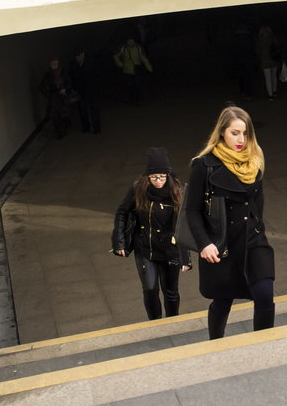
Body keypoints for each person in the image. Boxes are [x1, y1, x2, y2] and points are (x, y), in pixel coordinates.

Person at [185, 106, 275, 339]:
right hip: (221, 243)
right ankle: (216, 344)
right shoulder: (203, 165)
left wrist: (258, 231)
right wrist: (204, 243)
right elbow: (192, 210)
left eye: (245, 134)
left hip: (253, 241)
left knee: (265, 294)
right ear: (222, 132)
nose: (241, 140)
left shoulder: (254, 161)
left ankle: (263, 346)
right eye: (235, 133)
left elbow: (258, 206)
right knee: (222, 301)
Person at [112, 147, 191, 320]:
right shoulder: (138, 189)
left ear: (168, 176)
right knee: (150, 290)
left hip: (169, 250)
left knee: (171, 292)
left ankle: (173, 321)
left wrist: (185, 258)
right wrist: (119, 242)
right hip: (145, 249)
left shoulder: (176, 191)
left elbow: (183, 226)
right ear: (147, 176)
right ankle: (154, 324)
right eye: (154, 177)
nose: (158, 181)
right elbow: (122, 212)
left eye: (162, 176)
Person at [68, 48, 102, 134]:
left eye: (79, 56)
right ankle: (86, 126)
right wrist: (73, 88)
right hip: (80, 91)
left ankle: (96, 128)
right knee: (82, 110)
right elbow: (72, 78)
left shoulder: (91, 63)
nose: (77, 58)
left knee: (94, 109)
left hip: (92, 89)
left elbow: (97, 76)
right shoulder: (73, 65)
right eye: (76, 56)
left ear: (83, 54)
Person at [38, 57, 72, 139]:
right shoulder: (48, 75)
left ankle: (66, 127)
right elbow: (42, 86)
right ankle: (60, 133)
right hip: (54, 99)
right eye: (52, 64)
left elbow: (69, 83)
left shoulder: (63, 73)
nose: (54, 65)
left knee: (65, 115)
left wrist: (65, 89)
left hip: (63, 98)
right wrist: (49, 94)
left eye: (56, 64)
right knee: (55, 117)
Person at [113, 37, 152, 104]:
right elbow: (115, 56)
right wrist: (121, 65)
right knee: (130, 86)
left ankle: (138, 100)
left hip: (136, 70)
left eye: (131, 40)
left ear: (134, 41)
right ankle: (132, 99)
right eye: (129, 41)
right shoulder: (123, 48)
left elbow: (143, 58)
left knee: (138, 85)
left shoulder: (138, 48)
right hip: (127, 71)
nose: (130, 42)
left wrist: (149, 68)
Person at [255, 25, 281, 100]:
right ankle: (274, 90)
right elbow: (278, 48)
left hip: (265, 60)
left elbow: (258, 52)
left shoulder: (260, 40)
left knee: (268, 78)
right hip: (274, 60)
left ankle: (270, 94)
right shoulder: (273, 39)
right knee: (274, 77)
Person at [231, 23, 256, 101]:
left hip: (240, 60)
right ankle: (248, 94)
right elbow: (253, 49)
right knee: (249, 78)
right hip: (249, 60)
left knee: (241, 77)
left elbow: (234, 51)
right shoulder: (250, 38)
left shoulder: (236, 39)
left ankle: (242, 92)